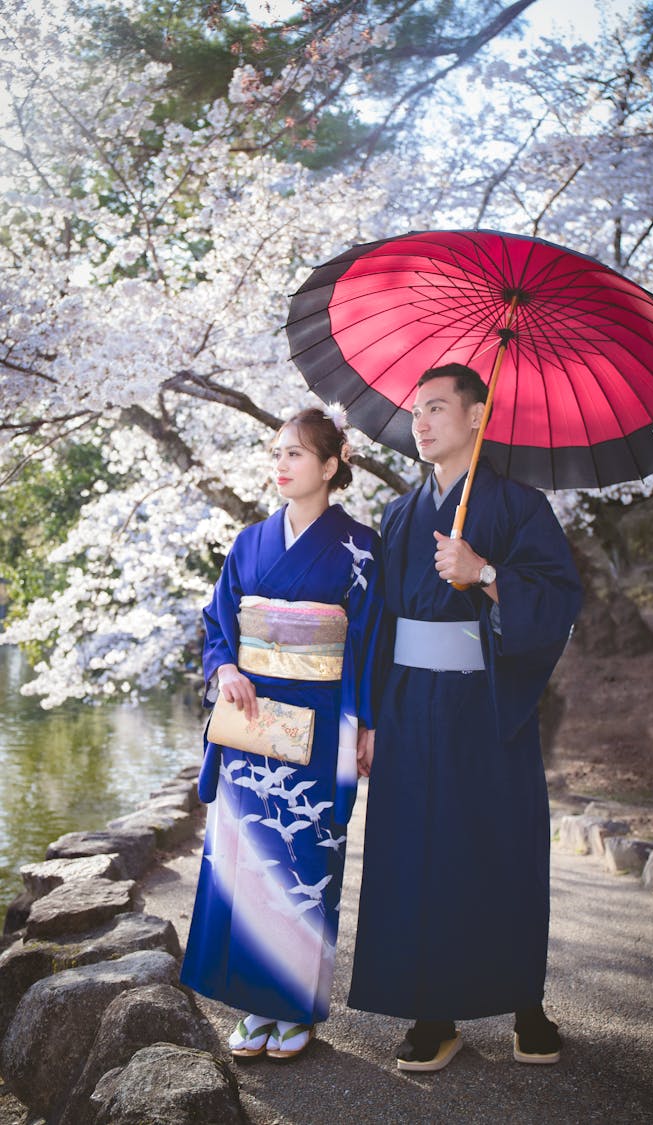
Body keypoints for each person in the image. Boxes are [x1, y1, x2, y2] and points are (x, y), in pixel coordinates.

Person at [348, 364, 583, 1072]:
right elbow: (378, 624)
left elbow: (559, 597)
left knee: (498, 845)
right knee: (415, 849)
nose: (421, 422)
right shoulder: (398, 513)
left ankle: (525, 1003)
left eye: (438, 408)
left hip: (486, 701)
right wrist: (371, 716)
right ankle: (433, 1012)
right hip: (409, 701)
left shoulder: (518, 505)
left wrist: (484, 573)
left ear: (479, 416)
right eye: (416, 410)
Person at [181, 406, 384, 1061]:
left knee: (303, 859)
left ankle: (293, 1007)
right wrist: (228, 664)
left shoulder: (361, 548)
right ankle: (251, 1002)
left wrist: (370, 721)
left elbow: (376, 641)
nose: (281, 463)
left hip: (322, 721)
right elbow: (218, 623)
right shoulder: (249, 543)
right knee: (244, 862)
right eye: (277, 451)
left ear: (331, 465)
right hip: (251, 721)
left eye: (295, 453)